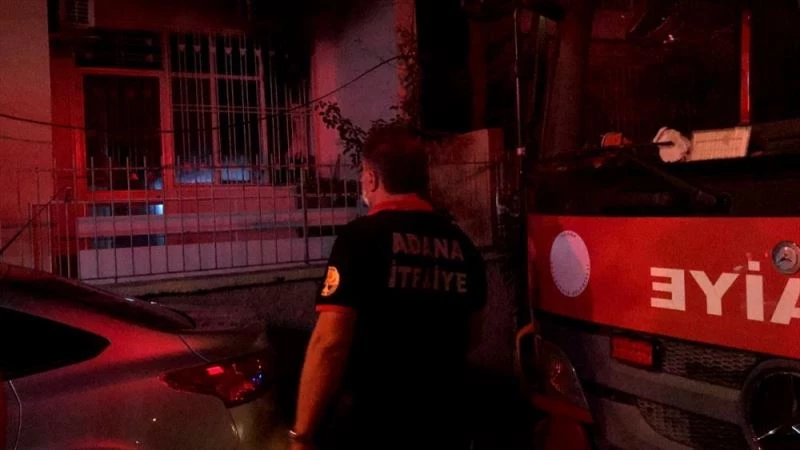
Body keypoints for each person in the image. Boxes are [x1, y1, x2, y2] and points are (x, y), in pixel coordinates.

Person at [288, 125, 488, 449]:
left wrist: (303, 434)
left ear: (372, 179)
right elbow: (473, 335)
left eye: (362, 175)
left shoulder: (360, 239)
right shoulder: (464, 246)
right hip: (445, 426)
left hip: (375, 427)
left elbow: (329, 343)